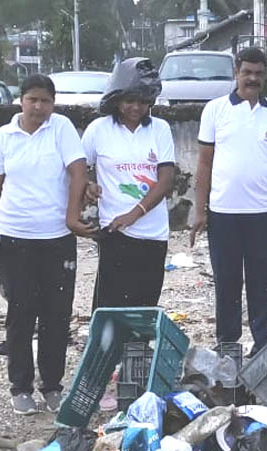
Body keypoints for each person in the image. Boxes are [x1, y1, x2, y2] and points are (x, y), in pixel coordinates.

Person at [0, 74, 94, 416]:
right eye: (33, 100)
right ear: (21, 100)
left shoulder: (61, 129)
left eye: (45, 100)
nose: (39, 107)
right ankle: (21, 386)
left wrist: (72, 217)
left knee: (57, 315)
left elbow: (78, 172)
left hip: (57, 238)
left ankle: (53, 385)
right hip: (15, 237)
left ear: (53, 103)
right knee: (21, 313)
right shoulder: (2, 138)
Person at [190, 47, 267, 354]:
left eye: (259, 73)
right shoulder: (215, 110)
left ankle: (262, 343)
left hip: (262, 213)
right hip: (223, 213)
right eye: (247, 72)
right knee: (227, 281)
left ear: (266, 76)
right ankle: (228, 343)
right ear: (236, 72)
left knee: (262, 282)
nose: (253, 78)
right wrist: (200, 209)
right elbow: (204, 163)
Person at [83, 58, 174, 311]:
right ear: (117, 100)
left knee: (145, 303)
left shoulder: (160, 129)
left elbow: (165, 179)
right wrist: (88, 184)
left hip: (153, 232)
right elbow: (79, 168)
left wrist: (135, 214)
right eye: (130, 100)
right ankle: (109, 351)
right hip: (115, 231)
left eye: (143, 101)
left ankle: (139, 351)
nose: (136, 107)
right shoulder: (98, 130)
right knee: (111, 304)